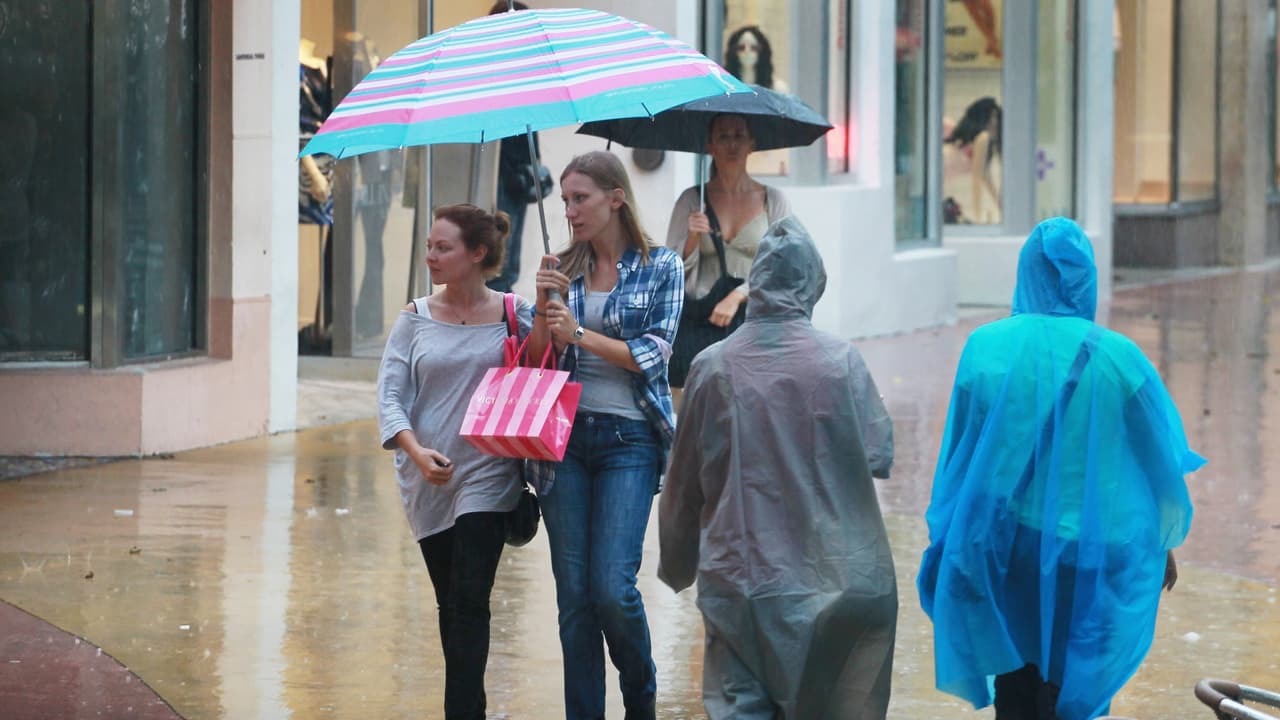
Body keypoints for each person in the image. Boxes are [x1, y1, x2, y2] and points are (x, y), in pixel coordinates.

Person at [916, 217, 1204, 720]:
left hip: (1009, 546)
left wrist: (949, 541)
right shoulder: (1119, 358)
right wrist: (1162, 541)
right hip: (1091, 553)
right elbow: (1158, 461)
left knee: (1016, 678)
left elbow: (960, 459)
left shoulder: (985, 346)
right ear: (1086, 278)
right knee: (1074, 682)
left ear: (1026, 272)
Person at [658, 216, 898, 720]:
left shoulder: (712, 366)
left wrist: (677, 564)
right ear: (814, 283)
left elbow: (682, 483)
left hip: (739, 580)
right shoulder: (842, 362)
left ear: (758, 284)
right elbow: (879, 453)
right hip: (838, 580)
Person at [528, 150, 684, 720]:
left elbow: (654, 356)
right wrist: (543, 310)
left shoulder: (662, 266)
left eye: (580, 198)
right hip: (563, 443)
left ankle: (640, 696)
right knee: (574, 600)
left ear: (616, 198)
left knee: (612, 589)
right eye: (565, 200)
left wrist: (580, 334)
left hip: (630, 440)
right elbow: (536, 363)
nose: (569, 211)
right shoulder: (561, 268)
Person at [376, 203, 532, 720]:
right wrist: (416, 452)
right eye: (429, 246)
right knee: (452, 603)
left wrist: (553, 302)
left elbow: (545, 369)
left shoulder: (515, 312)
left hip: (490, 470)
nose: (430, 256)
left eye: (443, 248)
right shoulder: (414, 317)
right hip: (428, 476)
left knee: (469, 598)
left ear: (478, 253)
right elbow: (390, 396)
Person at [664, 113, 792, 388]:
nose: (732, 144)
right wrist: (693, 238)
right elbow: (670, 271)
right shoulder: (692, 200)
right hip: (703, 323)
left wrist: (739, 294)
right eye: (723, 136)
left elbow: (786, 263)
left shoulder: (773, 200)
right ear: (710, 146)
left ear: (751, 144)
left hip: (757, 321)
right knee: (705, 399)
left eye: (739, 136)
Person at [485, 0, 539, 294]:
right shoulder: (495, 73)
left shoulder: (521, 72)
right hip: (501, 175)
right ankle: (500, 312)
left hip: (516, 173)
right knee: (499, 262)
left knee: (507, 263)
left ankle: (503, 307)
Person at [943, 96, 1001, 224]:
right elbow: (977, 178)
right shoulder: (983, 138)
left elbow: (984, 177)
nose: (995, 121)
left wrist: (1000, 204)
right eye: (993, 116)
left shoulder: (977, 139)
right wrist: (977, 215)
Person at [723, 25, 788, 93]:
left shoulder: (777, 88)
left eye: (753, 48)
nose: (747, 51)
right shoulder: (724, 86)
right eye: (741, 47)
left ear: (762, 52)